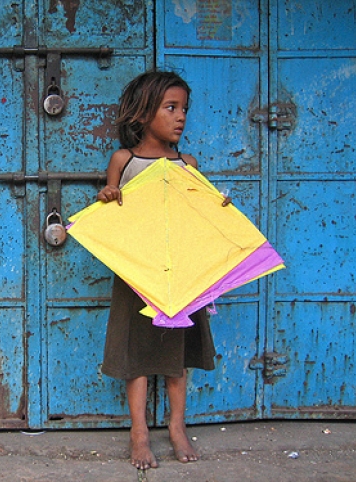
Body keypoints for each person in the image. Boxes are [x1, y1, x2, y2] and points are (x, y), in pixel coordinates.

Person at [95, 70, 223, 469]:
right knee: (136, 356)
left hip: (179, 273)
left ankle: (177, 427)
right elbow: (111, 213)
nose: (180, 116)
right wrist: (108, 195)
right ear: (143, 113)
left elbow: (196, 216)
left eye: (184, 108)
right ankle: (138, 433)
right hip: (136, 273)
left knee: (175, 356)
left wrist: (218, 207)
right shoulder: (125, 160)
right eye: (170, 108)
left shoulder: (188, 162)